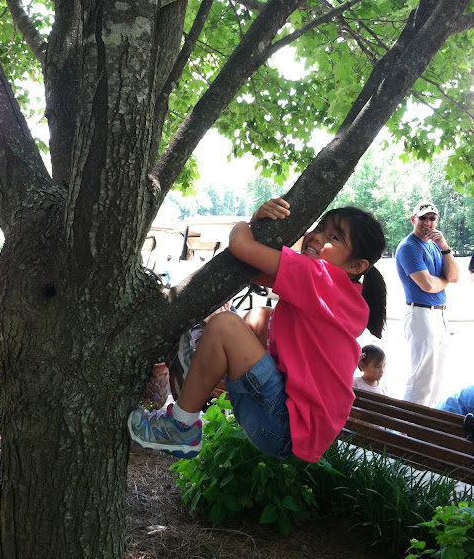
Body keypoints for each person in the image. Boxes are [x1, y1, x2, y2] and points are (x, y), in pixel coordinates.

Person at [128, 197, 387, 462]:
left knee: (226, 325)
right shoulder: (342, 293)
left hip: (283, 423)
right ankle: (199, 363)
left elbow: (241, 247)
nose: (317, 237)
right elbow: (250, 270)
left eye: (333, 236)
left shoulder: (320, 277)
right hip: (290, 429)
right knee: (260, 316)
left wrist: (248, 223)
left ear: (356, 266)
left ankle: (180, 426)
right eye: (320, 227)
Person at [395, 201, 460, 407]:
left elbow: (454, 276)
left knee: (436, 378)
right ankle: (407, 423)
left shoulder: (434, 246)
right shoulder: (408, 247)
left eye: (432, 218)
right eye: (422, 218)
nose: (427, 222)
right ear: (413, 219)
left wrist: (445, 247)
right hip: (420, 314)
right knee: (421, 377)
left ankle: (427, 421)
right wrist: (444, 281)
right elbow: (428, 285)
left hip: (440, 315)